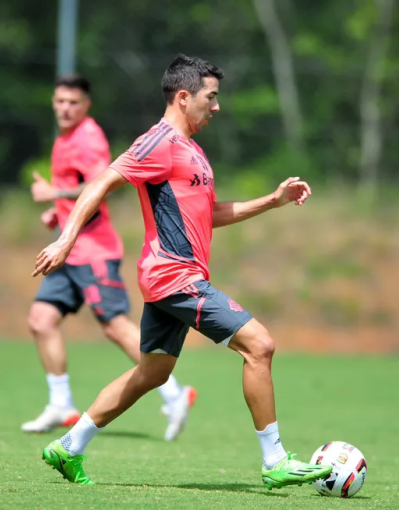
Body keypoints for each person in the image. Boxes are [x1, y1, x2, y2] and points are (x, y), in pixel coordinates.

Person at [31, 54, 332, 490]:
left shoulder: (192, 150)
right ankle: (275, 461)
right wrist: (65, 239)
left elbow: (208, 213)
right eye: (211, 98)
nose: (217, 107)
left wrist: (272, 200)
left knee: (152, 374)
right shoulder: (158, 142)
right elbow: (101, 182)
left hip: (172, 277)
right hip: (173, 277)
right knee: (259, 346)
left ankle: (69, 446)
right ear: (184, 96)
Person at [22, 73, 196, 442]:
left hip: (94, 252)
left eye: (73, 102)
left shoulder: (88, 137)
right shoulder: (65, 138)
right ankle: (60, 403)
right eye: (60, 101)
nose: (65, 108)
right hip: (68, 250)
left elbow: (101, 185)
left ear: (86, 106)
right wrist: (58, 211)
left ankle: (174, 393)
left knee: (115, 325)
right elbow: (78, 195)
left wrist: (54, 192)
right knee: (41, 319)